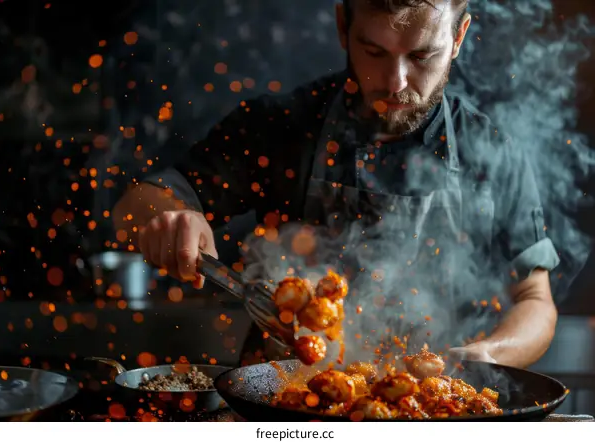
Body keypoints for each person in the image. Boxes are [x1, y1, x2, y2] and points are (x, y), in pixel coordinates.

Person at [112, 0, 560, 369]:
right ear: (344, 27)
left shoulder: (493, 152)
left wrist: (482, 356)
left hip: (434, 413)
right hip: (282, 404)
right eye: (374, 52)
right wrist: (170, 218)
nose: (395, 82)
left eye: (422, 55)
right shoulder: (282, 127)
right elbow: (137, 202)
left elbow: (536, 301)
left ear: (458, 37)